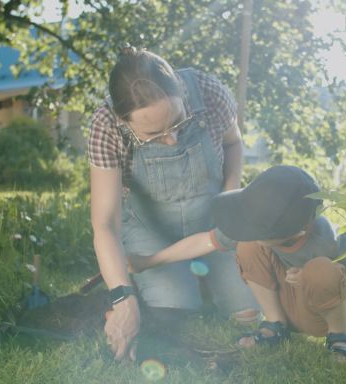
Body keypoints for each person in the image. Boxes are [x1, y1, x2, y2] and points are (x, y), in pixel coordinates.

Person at [88, 46, 258, 361]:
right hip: (150, 230)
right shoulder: (105, 125)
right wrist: (123, 300)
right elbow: (104, 224)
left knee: (248, 310)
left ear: (180, 90)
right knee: (174, 310)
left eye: (178, 122)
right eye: (153, 135)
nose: (172, 140)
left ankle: (201, 277)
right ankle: (184, 282)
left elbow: (233, 142)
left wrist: (230, 197)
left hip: (212, 219)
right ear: (123, 122)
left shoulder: (208, 90)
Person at [130, 165, 346, 361]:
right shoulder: (256, 227)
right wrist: (148, 261)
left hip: (318, 314)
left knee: (321, 269)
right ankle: (274, 325)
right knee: (247, 243)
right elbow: (203, 242)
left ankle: (340, 338)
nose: (250, 229)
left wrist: (310, 277)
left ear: (299, 232)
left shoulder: (329, 241)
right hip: (281, 300)